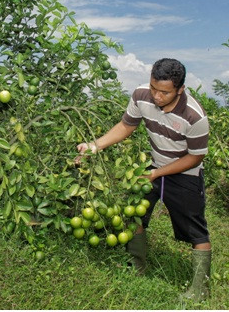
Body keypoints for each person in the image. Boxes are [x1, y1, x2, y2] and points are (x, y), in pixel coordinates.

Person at [76, 58, 211, 302]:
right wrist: (95, 146)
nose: (157, 96)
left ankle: (200, 290)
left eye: (165, 92)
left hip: (185, 173)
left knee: (196, 231)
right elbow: (127, 125)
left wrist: (158, 173)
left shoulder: (195, 117)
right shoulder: (141, 95)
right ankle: (136, 267)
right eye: (154, 89)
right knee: (134, 212)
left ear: (180, 89)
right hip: (155, 167)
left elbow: (194, 158)